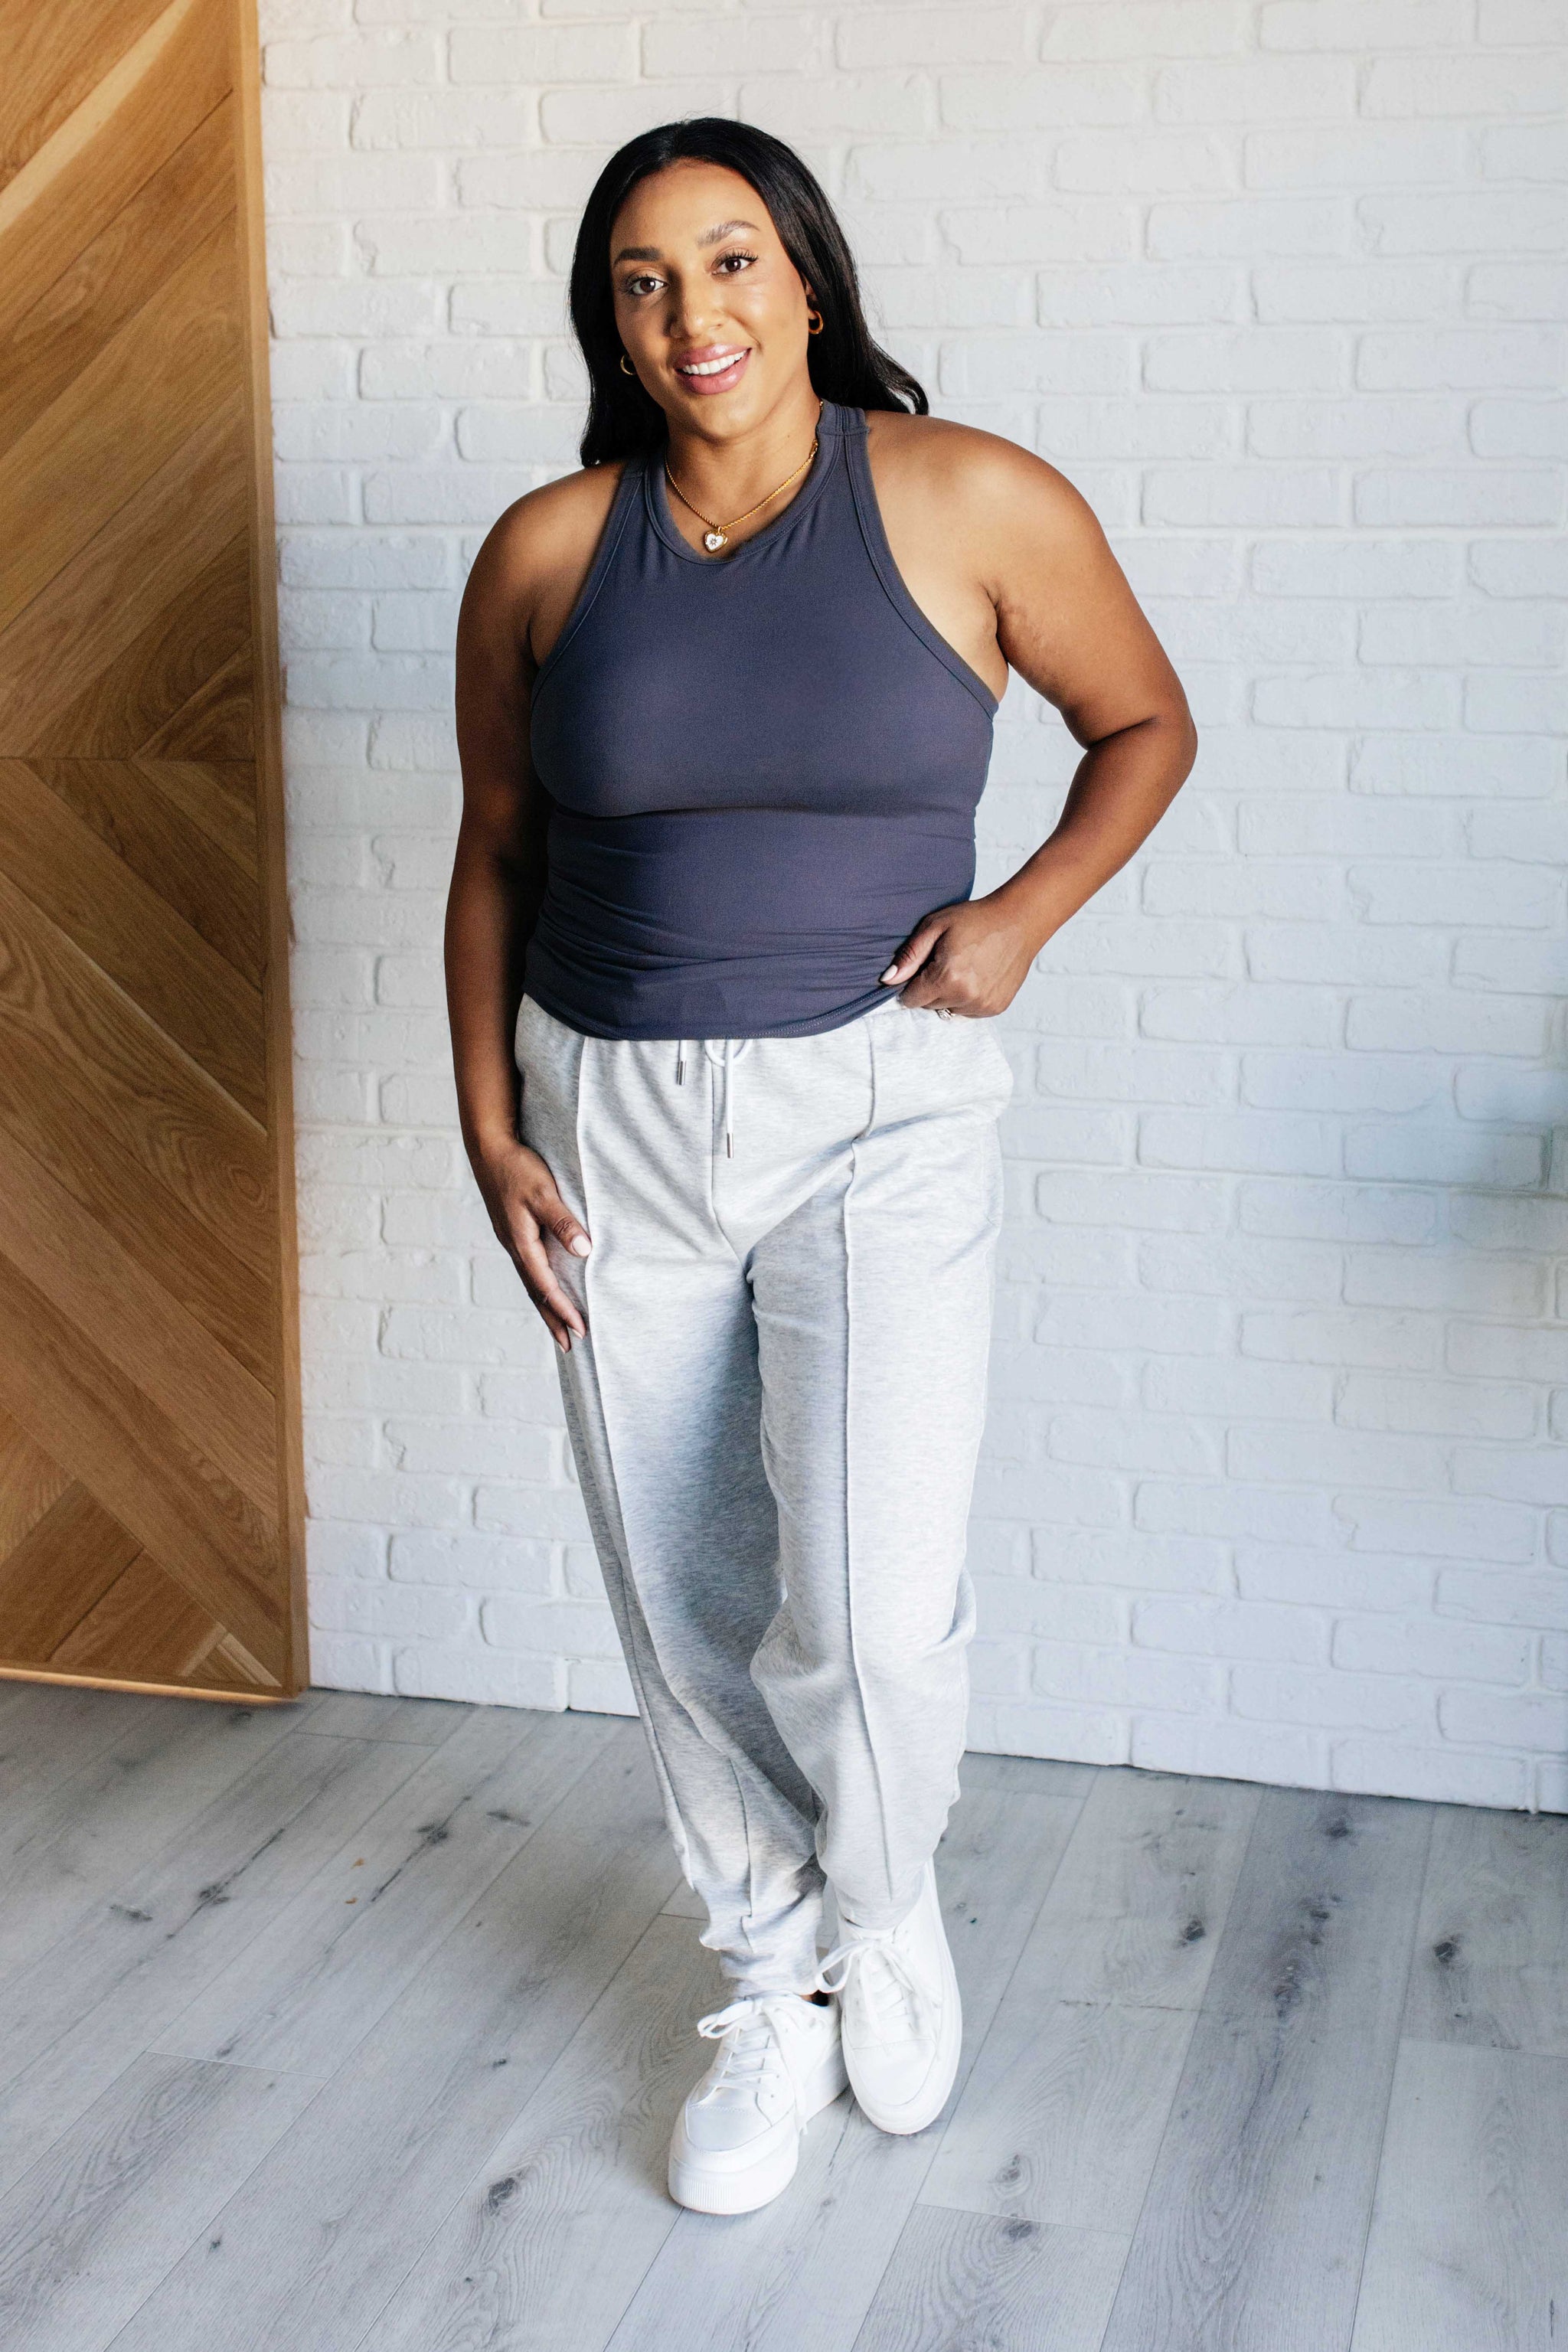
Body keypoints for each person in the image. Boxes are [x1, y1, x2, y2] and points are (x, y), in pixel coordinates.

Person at [446, 117, 1196, 2216]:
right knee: (683, 1591)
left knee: (868, 1611)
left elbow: (1144, 725)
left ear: (807, 278)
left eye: (730, 260)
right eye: (642, 280)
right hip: (606, 1111)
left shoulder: (967, 498)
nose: (693, 313)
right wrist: (489, 1118)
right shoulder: (543, 551)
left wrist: (1020, 918)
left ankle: (882, 1909)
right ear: (608, 322)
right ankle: (771, 1972)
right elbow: (496, 848)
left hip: (881, 1108)